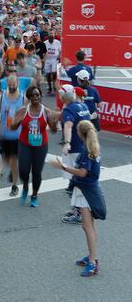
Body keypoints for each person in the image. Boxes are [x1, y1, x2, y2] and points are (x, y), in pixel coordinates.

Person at [50, 120, 106, 277]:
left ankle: (93, 261)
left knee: (87, 227)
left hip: (86, 192)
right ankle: (91, 256)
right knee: (89, 227)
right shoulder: (92, 148)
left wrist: (63, 167)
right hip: (88, 190)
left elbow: (82, 172)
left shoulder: (87, 150)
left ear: (80, 134)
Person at [10, 86, 58, 207]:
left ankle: (34, 195)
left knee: (37, 172)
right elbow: (13, 127)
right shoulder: (23, 110)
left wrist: (53, 122)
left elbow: (54, 131)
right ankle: (25, 186)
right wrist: (17, 120)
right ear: (29, 97)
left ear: (40, 96)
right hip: (24, 144)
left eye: (38, 95)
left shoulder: (46, 111)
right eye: (33, 95)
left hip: (40, 146)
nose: (36, 97)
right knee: (23, 170)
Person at [59, 84, 91, 224]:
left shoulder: (69, 110)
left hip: (74, 150)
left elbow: (68, 125)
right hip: (85, 147)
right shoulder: (83, 107)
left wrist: (67, 143)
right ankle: (78, 210)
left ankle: (77, 212)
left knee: (75, 181)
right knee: (78, 181)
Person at [0, 75, 25, 197]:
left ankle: (14, 186)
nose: (12, 87)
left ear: (17, 83)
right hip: (4, 134)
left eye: (14, 85)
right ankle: (12, 174)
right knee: (6, 159)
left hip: (17, 135)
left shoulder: (23, 98)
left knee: (13, 161)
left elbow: (26, 116)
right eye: (10, 85)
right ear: (7, 83)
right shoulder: (1, 98)